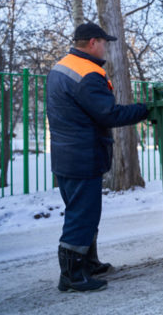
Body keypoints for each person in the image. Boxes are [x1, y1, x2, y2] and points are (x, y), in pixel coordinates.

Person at [47, 23, 149, 292]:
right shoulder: (88, 73)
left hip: (66, 155)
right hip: (83, 156)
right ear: (93, 42)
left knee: (82, 212)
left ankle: (87, 263)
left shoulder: (61, 67)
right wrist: (145, 110)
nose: (106, 47)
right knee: (82, 215)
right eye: (104, 42)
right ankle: (71, 276)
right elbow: (109, 114)